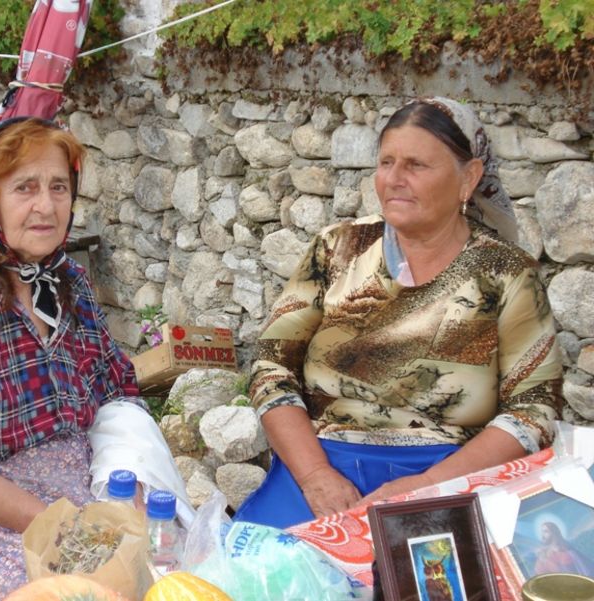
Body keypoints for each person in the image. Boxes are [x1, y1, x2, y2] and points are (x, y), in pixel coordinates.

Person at [0, 117, 190, 600]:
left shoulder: (67, 281)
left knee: (170, 567)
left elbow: (116, 392)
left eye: (58, 187)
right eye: (25, 187)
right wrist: (77, 534)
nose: (46, 206)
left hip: (70, 485)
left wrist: (124, 487)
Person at [235, 97, 562, 529]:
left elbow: (533, 409)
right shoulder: (338, 249)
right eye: (386, 162)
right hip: (322, 462)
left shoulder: (507, 273)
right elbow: (270, 366)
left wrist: (427, 487)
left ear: (468, 178)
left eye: (416, 165)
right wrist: (315, 476)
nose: (394, 179)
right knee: (265, 566)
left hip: (452, 473)